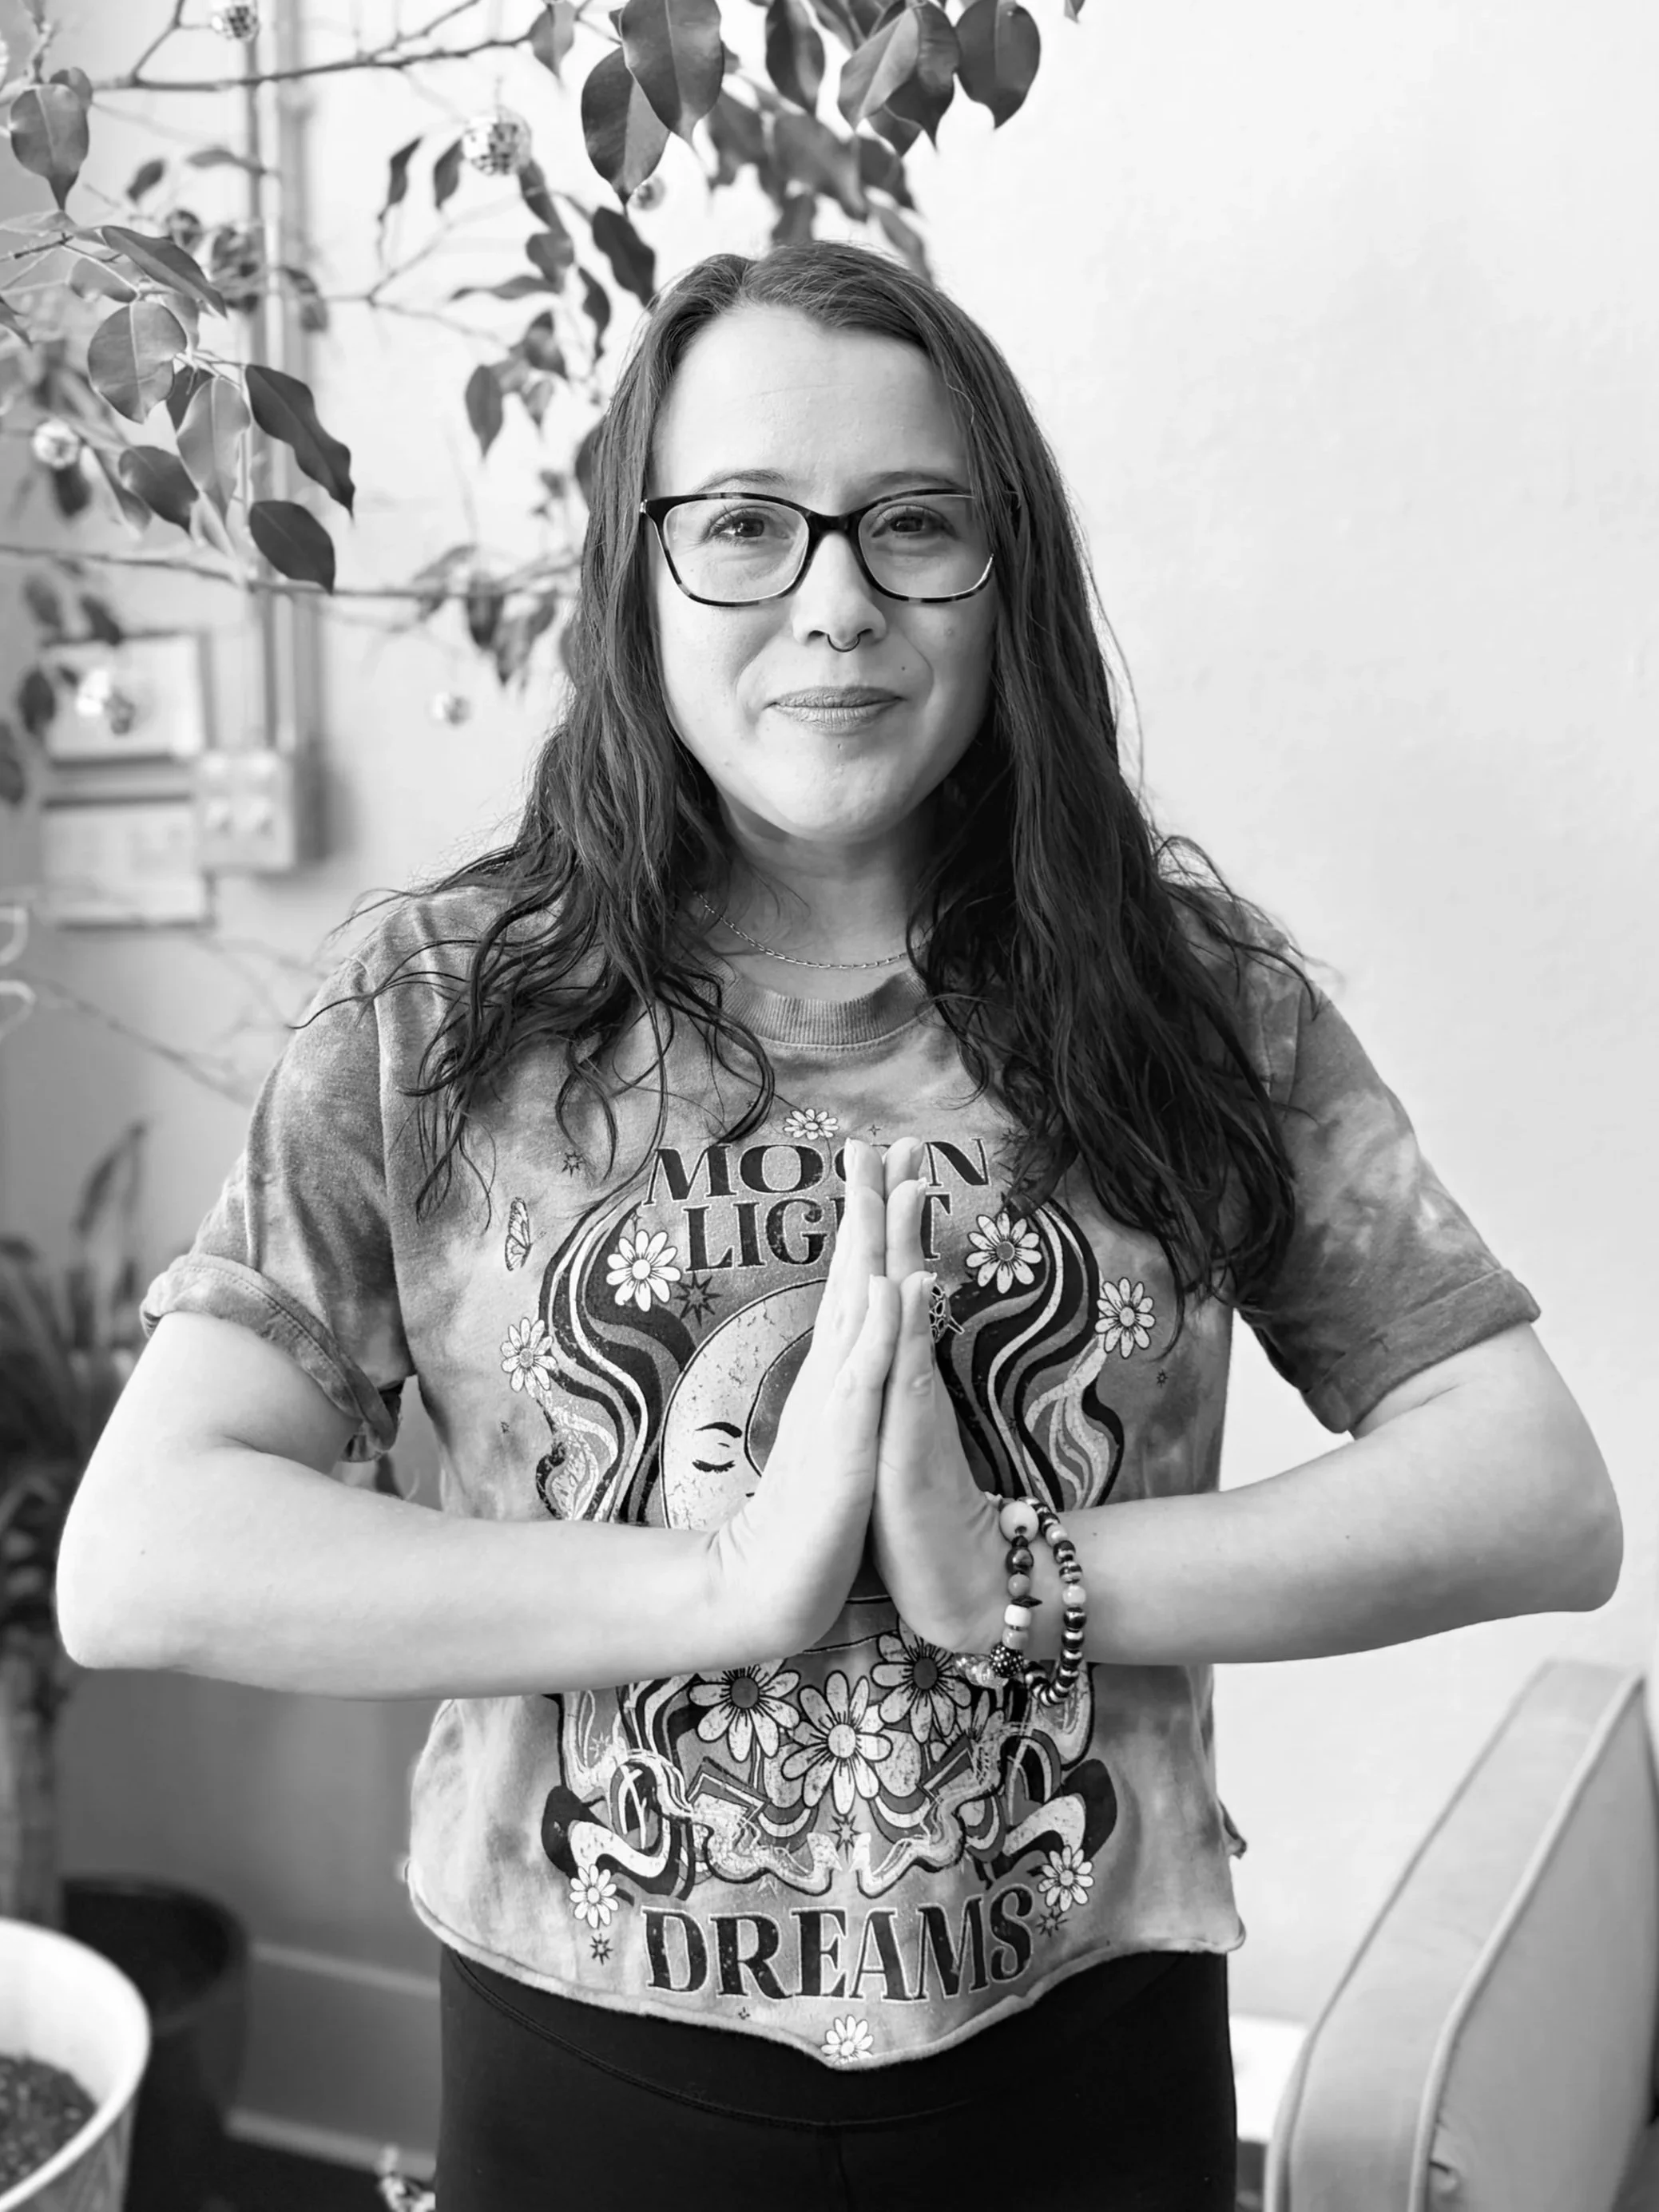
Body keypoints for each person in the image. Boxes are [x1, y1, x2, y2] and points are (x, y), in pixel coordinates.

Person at [58, 241, 1621, 2212]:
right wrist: (718, 1586)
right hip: (581, 2058)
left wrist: (1019, 1579)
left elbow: (1536, 1494)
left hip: (1081, 2052)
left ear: (1005, 572)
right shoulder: (438, 1009)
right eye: (742, 525)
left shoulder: (1187, 997)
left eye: (912, 525)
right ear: (638, 574)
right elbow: (145, 1553)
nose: (835, 604)